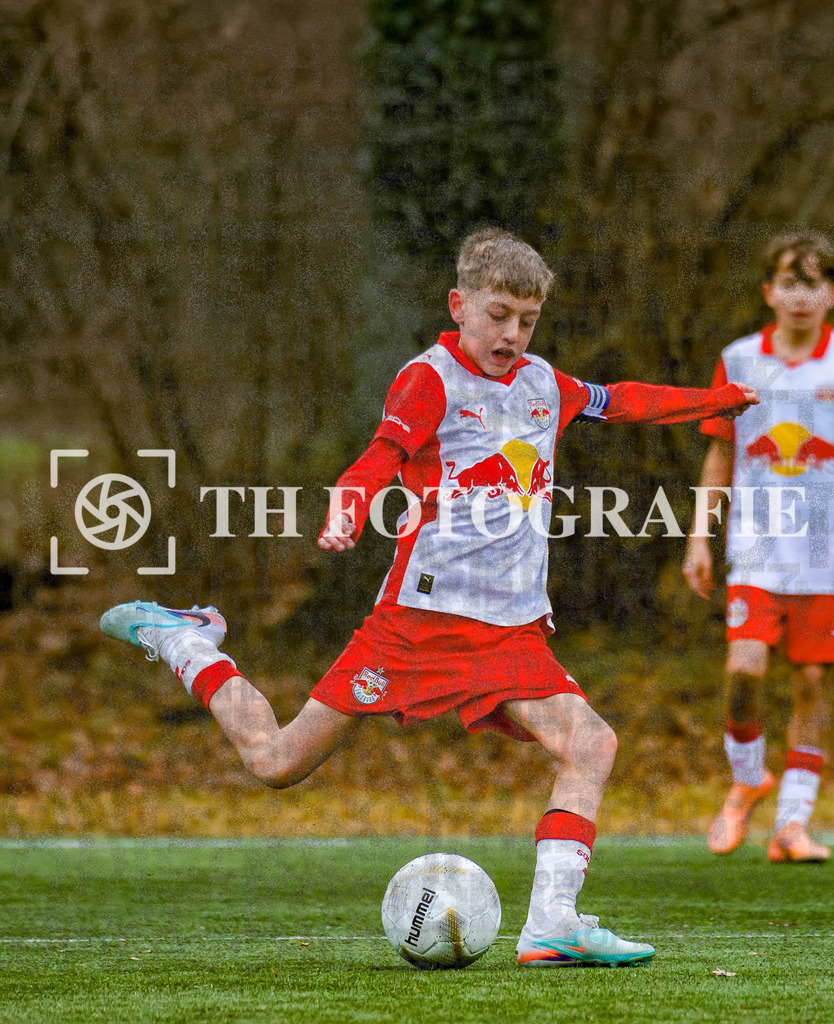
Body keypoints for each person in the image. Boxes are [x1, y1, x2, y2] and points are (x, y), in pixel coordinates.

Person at [102, 228, 756, 967]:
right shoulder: (430, 378)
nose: (511, 334)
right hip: (417, 623)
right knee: (276, 762)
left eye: (527, 320)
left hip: (509, 632)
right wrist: (348, 507)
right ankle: (185, 641)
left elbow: (622, 402)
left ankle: (552, 923)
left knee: (590, 742)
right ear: (459, 305)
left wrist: (718, 401)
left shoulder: (545, 383)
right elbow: (377, 458)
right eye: (498, 315)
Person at [684, 232, 834, 863]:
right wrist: (698, 536)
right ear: (768, 292)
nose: (801, 295)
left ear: (833, 293)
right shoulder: (737, 360)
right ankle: (748, 777)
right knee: (743, 671)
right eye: (789, 281)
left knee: (811, 682)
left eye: (814, 283)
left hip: (833, 551)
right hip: (757, 545)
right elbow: (721, 450)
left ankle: (792, 824)